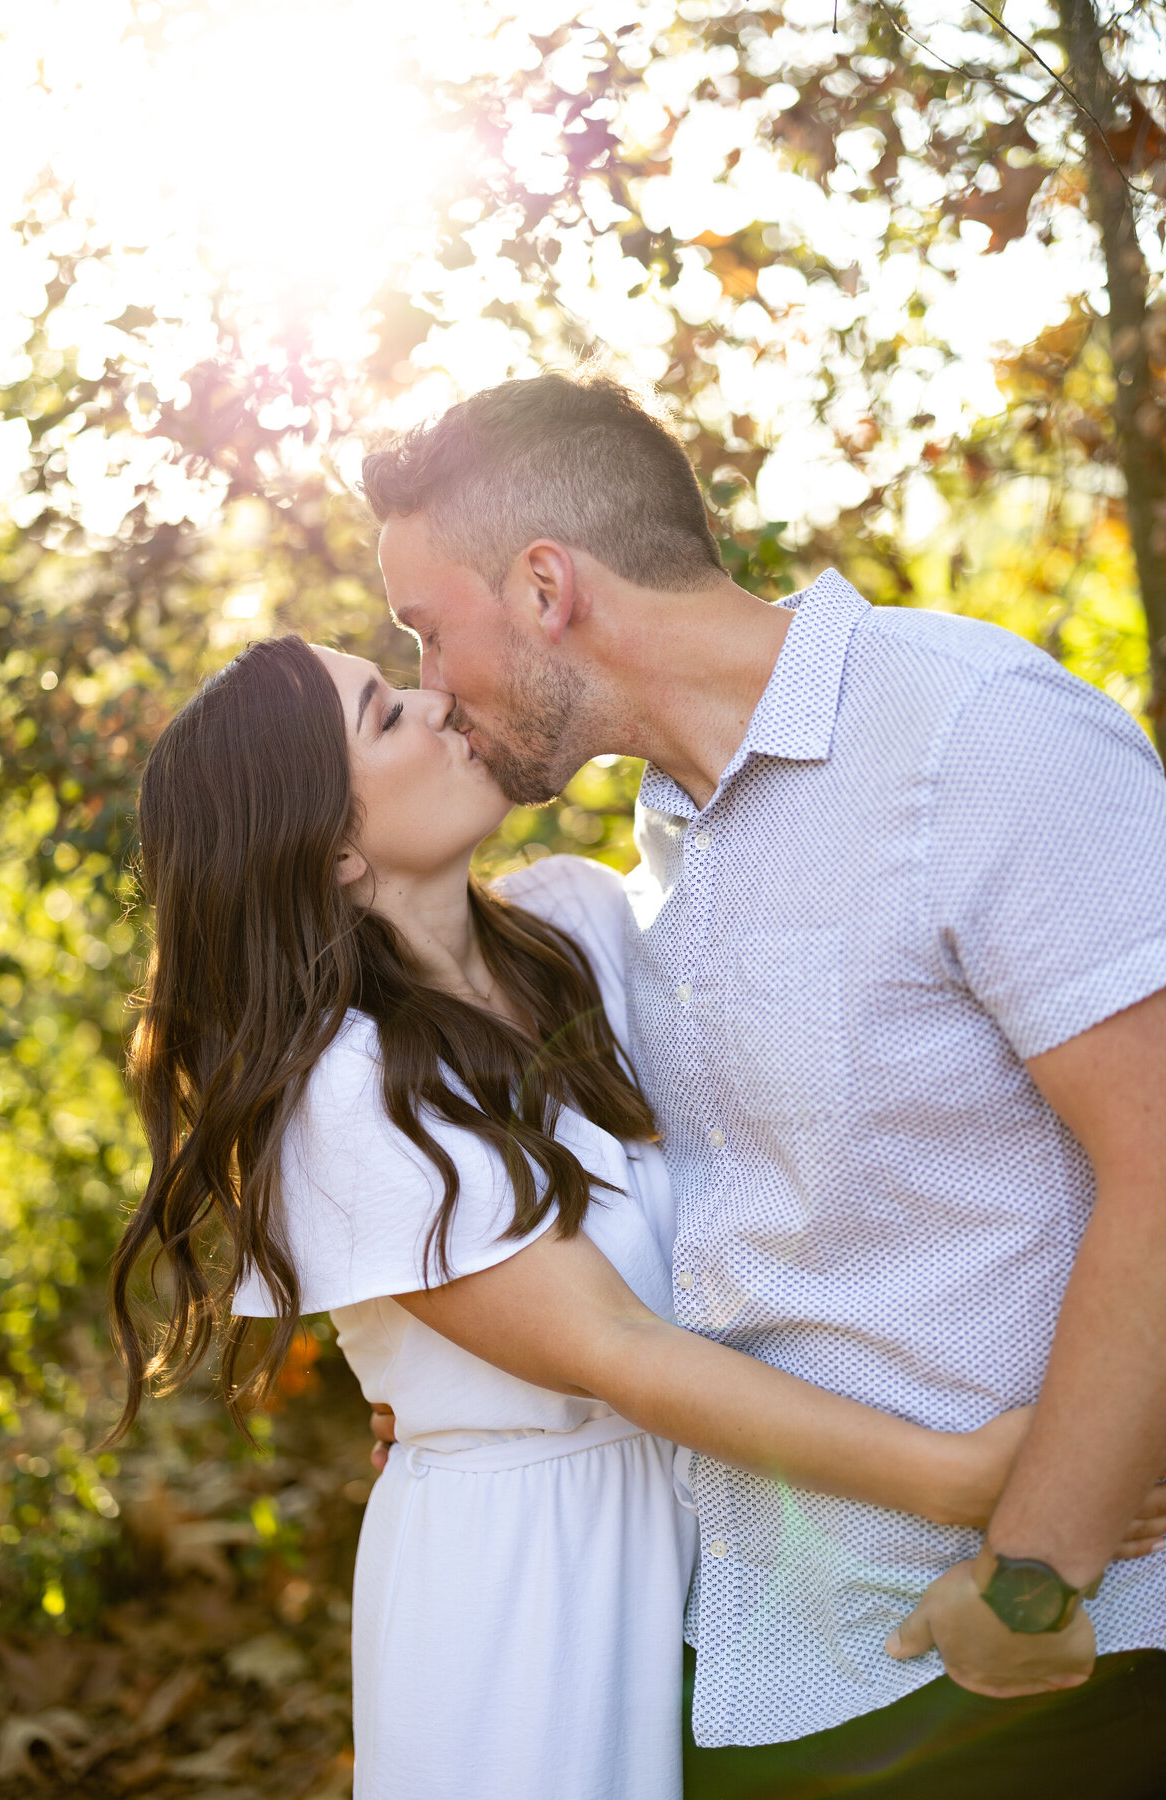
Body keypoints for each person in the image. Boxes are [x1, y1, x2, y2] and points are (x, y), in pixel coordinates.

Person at [106, 633, 1154, 1800]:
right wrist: (976, 1481)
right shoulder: (336, 1094)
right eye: (384, 714)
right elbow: (619, 1348)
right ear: (334, 846)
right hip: (528, 1573)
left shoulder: (581, 923)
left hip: (717, 1532)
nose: (437, 698)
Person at [359, 369, 1166, 1797]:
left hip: (1035, 1665)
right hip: (752, 1680)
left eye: (429, 630)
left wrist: (1036, 1571)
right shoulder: (648, 874)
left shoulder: (972, 734)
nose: (433, 684)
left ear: (547, 587)